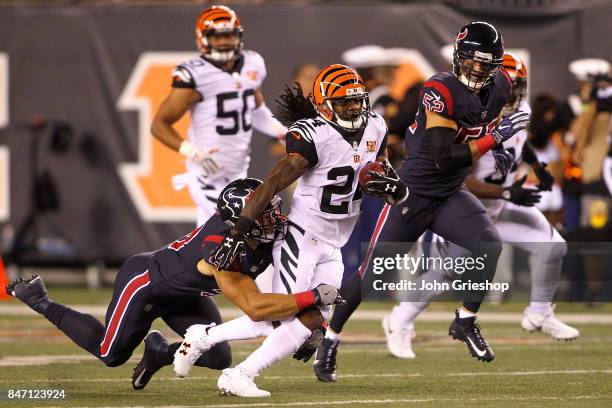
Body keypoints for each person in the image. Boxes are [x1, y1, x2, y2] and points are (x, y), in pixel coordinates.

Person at [314, 21, 529, 382]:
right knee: (372, 275)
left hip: (449, 192)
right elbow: (445, 154)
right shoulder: (440, 88)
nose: (477, 69)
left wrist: (501, 145)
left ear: (497, 65)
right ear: (458, 57)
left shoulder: (501, 86)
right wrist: (495, 140)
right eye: (471, 61)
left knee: (489, 245)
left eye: (485, 63)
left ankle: (464, 320)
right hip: (413, 192)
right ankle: (330, 340)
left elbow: (481, 131)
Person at [186, 64, 406, 397]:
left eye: (356, 101)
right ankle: (230, 364)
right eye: (343, 102)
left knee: (311, 320)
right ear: (324, 105)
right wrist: (236, 235)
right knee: (279, 317)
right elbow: (272, 183)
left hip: (335, 241)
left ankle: (213, 347)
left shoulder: (375, 124)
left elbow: (382, 165)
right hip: (303, 236)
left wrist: (391, 182)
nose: (352, 108)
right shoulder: (313, 135)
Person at [5, 178, 341, 391]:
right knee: (111, 354)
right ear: (244, 222)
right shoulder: (222, 250)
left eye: (272, 209)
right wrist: (312, 297)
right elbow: (255, 308)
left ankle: (159, 352)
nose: (275, 217)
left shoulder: (261, 235)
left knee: (219, 356)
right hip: (147, 284)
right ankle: (40, 300)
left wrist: (311, 316)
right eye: (264, 213)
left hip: (188, 295)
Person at [382, 53, 579, 360]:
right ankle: (400, 319)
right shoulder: (472, 117)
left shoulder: (518, 110)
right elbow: (457, 176)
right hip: (467, 207)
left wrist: (535, 164)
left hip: (502, 203)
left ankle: (539, 314)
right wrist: (506, 194)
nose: (511, 96)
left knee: (553, 247)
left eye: (517, 89)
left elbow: (519, 139)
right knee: (447, 273)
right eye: (508, 88)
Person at [151, 5, 286, 226]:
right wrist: (193, 152)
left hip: (238, 170)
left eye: (230, 35)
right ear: (203, 39)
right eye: (217, 36)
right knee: (241, 226)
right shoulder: (195, 75)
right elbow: (159, 124)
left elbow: (256, 109)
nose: (224, 42)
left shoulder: (253, 63)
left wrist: (280, 130)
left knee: (208, 241)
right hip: (207, 172)